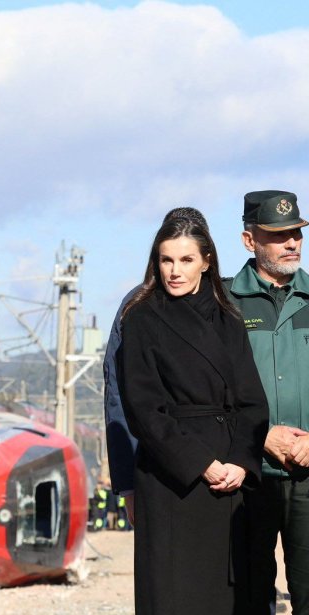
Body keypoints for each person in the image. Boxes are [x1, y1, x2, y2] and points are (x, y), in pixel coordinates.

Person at [118, 213, 269, 615]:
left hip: (232, 482)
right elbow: (144, 411)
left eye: (186, 259)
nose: (175, 271)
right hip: (174, 483)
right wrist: (203, 463)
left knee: (230, 612)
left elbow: (252, 402)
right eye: (166, 260)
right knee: (175, 611)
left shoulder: (228, 318)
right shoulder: (141, 318)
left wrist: (241, 461)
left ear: (207, 261)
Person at [226, 190, 309, 615]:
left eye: (296, 233)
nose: (291, 243)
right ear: (249, 239)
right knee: (249, 592)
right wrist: (262, 434)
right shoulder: (222, 304)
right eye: (277, 236)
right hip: (248, 470)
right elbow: (215, 387)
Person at [104, 206, 210, 529]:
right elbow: (118, 396)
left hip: (216, 470)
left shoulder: (223, 306)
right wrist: (128, 484)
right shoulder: (135, 307)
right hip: (154, 470)